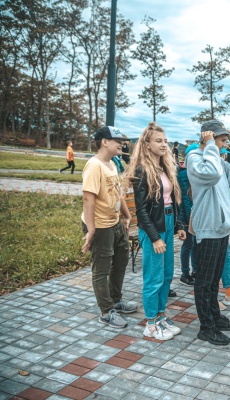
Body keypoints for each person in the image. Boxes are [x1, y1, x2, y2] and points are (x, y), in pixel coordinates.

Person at [186, 119, 230, 346]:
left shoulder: (217, 159)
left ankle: (215, 316)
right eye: (221, 139)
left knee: (214, 279)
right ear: (207, 137)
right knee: (205, 280)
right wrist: (211, 145)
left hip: (221, 228)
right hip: (208, 227)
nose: (224, 143)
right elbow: (211, 174)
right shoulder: (195, 158)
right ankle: (206, 327)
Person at [124, 122, 186, 341]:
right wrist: (155, 238)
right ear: (147, 144)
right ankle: (150, 323)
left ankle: (160, 316)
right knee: (153, 277)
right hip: (153, 228)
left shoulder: (166, 167)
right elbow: (141, 211)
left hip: (167, 223)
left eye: (165, 141)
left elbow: (173, 200)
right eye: (158, 141)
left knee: (167, 275)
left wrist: (179, 225)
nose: (163, 145)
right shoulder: (142, 170)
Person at [81, 126, 137, 329]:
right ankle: (106, 311)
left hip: (115, 222)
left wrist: (127, 215)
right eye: (117, 141)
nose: (121, 145)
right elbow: (88, 199)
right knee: (101, 269)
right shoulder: (94, 166)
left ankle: (116, 300)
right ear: (104, 142)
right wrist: (91, 230)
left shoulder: (112, 164)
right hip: (100, 226)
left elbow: (118, 193)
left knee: (121, 261)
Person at [177, 143, 199, 287]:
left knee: (195, 243)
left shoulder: (192, 171)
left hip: (194, 213)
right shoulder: (184, 173)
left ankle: (195, 270)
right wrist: (186, 218)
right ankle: (185, 273)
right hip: (187, 215)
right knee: (189, 244)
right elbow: (185, 198)